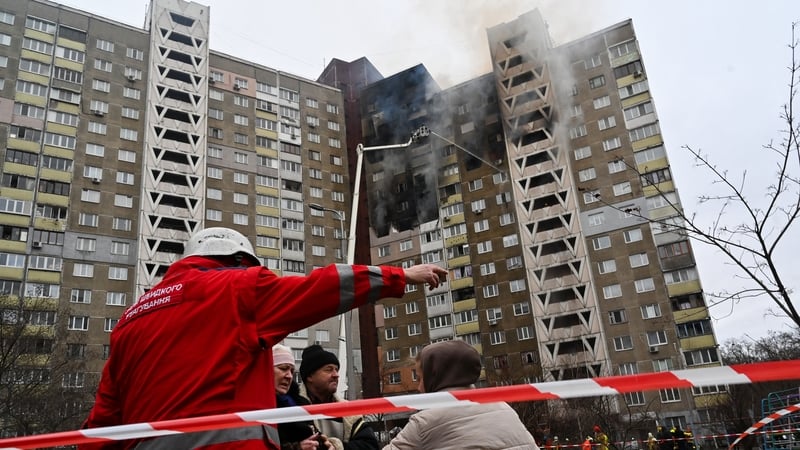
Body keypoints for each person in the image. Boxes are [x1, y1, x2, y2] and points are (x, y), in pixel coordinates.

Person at [80, 227, 447, 450]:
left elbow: (103, 423)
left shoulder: (131, 318)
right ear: (241, 260)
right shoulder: (238, 287)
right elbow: (320, 287)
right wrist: (401, 275)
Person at [382, 340, 539, 450]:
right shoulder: (503, 408)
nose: (419, 387)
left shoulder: (426, 422)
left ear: (436, 377)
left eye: (421, 378)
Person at [297, 344, 379, 450]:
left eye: (336, 369)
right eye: (329, 369)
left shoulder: (349, 413)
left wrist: (338, 447)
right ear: (310, 376)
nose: (336, 375)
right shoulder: (292, 409)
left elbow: (371, 446)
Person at [273, 344, 331, 450]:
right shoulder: (257, 406)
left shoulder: (301, 402)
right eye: (283, 368)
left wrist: (325, 445)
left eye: (291, 371)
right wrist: (297, 448)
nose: (289, 376)